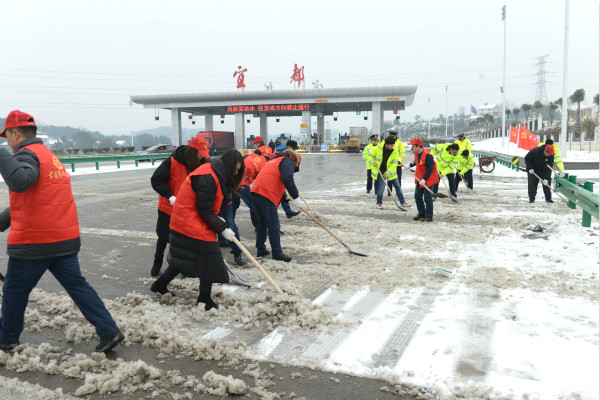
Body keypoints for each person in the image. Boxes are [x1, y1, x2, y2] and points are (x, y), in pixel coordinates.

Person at [0, 110, 124, 352]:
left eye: (7, 137)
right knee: (78, 287)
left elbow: (21, 181)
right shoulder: (48, 156)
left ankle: (7, 338)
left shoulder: (26, 156)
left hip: (35, 242)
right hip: (63, 240)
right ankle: (109, 331)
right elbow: (36, 199)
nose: (7, 142)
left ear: (16, 133)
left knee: (14, 289)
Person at [150, 149, 244, 310]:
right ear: (228, 166)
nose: (236, 173)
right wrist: (222, 228)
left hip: (189, 218)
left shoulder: (215, 174)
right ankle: (204, 299)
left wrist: (220, 218)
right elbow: (205, 210)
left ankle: (160, 284)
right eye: (235, 169)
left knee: (184, 257)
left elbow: (210, 205)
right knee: (209, 257)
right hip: (187, 220)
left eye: (238, 170)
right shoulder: (208, 177)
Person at [150, 136, 209, 276]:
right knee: (164, 237)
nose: (202, 157)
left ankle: (182, 268)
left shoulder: (200, 164)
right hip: (168, 207)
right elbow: (156, 180)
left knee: (184, 240)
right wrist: (170, 196)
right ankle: (157, 263)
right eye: (200, 153)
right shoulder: (172, 161)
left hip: (186, 210)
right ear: (192, 151)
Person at [251, 148, 301, 262]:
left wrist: (286, 198)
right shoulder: (288, 160)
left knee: (262, 223)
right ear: (295, 161)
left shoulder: (274, 161)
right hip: (266, 194)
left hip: (256, 192)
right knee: (274, 225)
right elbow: (287, 178)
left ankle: (261, 249)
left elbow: (273, 180)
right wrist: (296, 196)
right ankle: (277, 253)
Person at [371, 136, 407, 210]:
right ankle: (379, 204)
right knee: (381, 188)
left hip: (391, 172)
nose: (392, 146)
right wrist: (373, 162)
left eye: (393, 145)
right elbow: (367, 155)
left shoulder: (394, 151)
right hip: (380, 171)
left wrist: (387, 173)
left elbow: (394, 164)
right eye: (391, 145)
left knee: (398, 187)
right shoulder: (377, 149)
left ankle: (403, 202)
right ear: (386, 144)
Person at [408, 137, 439, 222]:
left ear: (418, 146)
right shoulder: (416, 153)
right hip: (419, 178)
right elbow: (416, 161)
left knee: (427, 198)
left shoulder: (427, 155)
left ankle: (429, 216)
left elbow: (430, 168)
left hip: (429, 179)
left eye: (413, 146)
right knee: (417, 196)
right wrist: (410, 165)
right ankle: (421, 213)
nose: (412, 148)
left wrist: (424, 179)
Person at [387, 128, 407, 200]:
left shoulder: (400, 143)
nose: (392, 138)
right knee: (389, 179)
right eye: (391, 136)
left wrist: (399, 160)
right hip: (389, 165)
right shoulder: (386, 142)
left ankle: (398, 192)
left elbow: (402, 153)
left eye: (393, 136)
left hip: (397, 165)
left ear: (396, 136)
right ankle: (389, 191)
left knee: (398, 179)